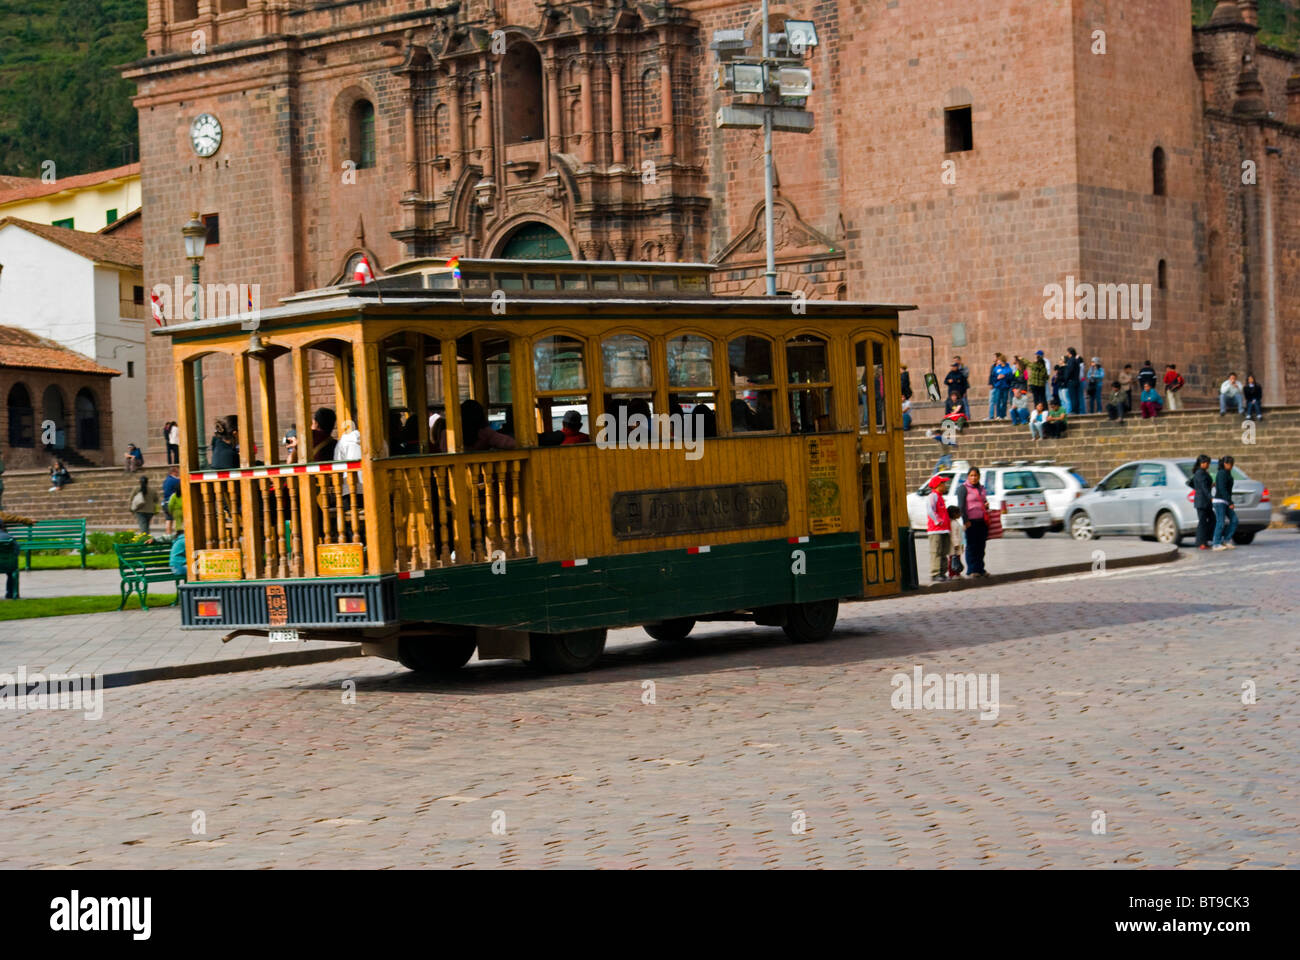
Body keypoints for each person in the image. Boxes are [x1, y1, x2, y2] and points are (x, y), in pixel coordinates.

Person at [956, 466, 990, 578]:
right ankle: (972, 570)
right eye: (971, 475)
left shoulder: (981, 488)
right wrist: (965, 520)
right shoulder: (963, 488)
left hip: (982, 521)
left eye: (976, 475)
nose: (974, 478)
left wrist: (986, 505)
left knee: (981, 547)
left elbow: (984, 500)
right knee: (971, 546)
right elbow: (961, 506)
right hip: (971, 521)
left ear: (979, 476)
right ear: (968, 477)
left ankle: (980, 569)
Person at [925, 475, 952, 582]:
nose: (945, 486)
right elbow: (930, 510)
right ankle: (935, 573)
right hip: (935, 530)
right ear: (938, 485)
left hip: (944, 529)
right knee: (936, 551)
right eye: (943, 484)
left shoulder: (940, 496)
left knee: (943, 552)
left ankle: (942, 572)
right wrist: (937, 521)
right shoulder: (933, 496)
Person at [1211, 455, 1239, 551]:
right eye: (1230, 464)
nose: (1231, 466)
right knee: (1220, 522)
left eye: (1232, 464)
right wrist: (1230, 502)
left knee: (1234, 520)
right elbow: (1222, 489)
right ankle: (1216, 543)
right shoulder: (1222, 473)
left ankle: (1226, 540)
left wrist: (1228, 501)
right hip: (1220, 501)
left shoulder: (1227, 473)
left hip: (1225, 501)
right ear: (1225, 464)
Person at [1187, 454, 1214, 550]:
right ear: (1202, 463)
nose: (1208, 465)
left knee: (1211, 519)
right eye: (1207, 463)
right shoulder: (1200, 473)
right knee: (1203, 522)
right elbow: (1203, 487)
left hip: (1205, 501)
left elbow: (1204, 485)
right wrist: (1211, 497)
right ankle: (1200, 542)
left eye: (1208, 463)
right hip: (1202, 501)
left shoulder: (1203, 472)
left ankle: (1205, 540)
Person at [0, 518, 17, 599]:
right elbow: (16, 551)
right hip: (8, 565)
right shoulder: (10, 537)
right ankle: (9, 593)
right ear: (3, 527)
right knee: (11, 574)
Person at [1063, 348, 1083, 415]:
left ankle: (1074, 410)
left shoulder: (1071, 360)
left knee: (1073, 396)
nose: (1067, 354)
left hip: (1072, 381)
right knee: (1075, 396)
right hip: (1076, 380)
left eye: (1067, 352)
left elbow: (1069, 371)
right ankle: (1076, 410)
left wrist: (1066, 378)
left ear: (1070, 353)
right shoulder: (1076, 360)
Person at [161, 466, 181, 536]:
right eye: (177, 471)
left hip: (165, 503)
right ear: (173, 472)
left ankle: (168, 535)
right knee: (177, 519)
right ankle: (177, 535)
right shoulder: (175, 480)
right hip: (173, 503)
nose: (178, 473)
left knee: (168, 520)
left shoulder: (166, 480)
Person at [946, 505, 965, 578]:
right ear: (954, 514)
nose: (960, 514)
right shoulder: (953, 523)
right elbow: (954, 535)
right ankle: (952, 574)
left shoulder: (955, 522)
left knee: (956, 560)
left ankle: (957, 573)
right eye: (958, 513)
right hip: (954, 546)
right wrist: (956, 544)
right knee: (953, 560)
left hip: (957, 545)